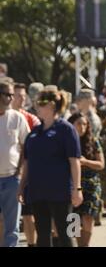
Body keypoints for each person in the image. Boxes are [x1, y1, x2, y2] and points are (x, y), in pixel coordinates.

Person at [18, 89, 83, 247]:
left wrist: (77, 189)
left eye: (40, 103)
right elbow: (27, 162)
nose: (36, 106)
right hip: (37, 192)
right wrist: (21, 187)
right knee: (42, 236)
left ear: (52, 106)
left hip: (60, 193)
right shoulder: (34, 132)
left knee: (66, 234)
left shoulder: (66, 129)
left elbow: (75, 161)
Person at [0, 80, 29, 246]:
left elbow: (26, 146)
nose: (11, 98)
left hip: (12, 179)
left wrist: (19, 172)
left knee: (12, 229)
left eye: (12, 94)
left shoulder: (17, 118)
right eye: (7, 94)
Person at [68, 113, 104, 247]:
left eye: (84, 124)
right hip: (71, 185)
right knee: (73, 218)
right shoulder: (66, 141)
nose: (82, 127)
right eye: (78, 124)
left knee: (88, 217)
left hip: (91, 184)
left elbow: (101, 164)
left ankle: (85, 245)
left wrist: (85, 162)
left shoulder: (93, 141)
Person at [11, 82, 40, 247]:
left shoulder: (31, 118)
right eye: (18, 95)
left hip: (26, 175)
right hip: (6, 175)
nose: (22, 99)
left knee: (29, 215)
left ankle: (31, 244)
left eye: (23, 95)